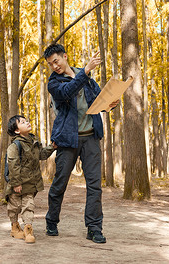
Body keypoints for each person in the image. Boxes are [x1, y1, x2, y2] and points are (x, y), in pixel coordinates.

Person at [43, 43, 118, 244]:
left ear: (65, 56)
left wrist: (110, 104)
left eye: (56, 61)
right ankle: (51, 221)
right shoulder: (54, 83)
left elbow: (97, 99)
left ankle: (94, 228)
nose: (54, 66)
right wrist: (85, 71)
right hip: (67, 140)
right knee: (60, 183)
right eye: (51, 64)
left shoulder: (85, 77)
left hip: (91, 137)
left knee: (94, 185)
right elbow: (67, 92)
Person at [5, 115, 56, 244]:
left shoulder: (33, 142)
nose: (27, 122)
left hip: (30, 183)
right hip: (17, 183)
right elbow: (13, 165)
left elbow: (42, 155)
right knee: (14, 206)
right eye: (22, 122)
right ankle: (15, 227)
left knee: (28, 206)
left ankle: (28, 229)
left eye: (26, 120)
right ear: (17, 130)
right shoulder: (15, 146)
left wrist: (52, 147)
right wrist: (16, 183)